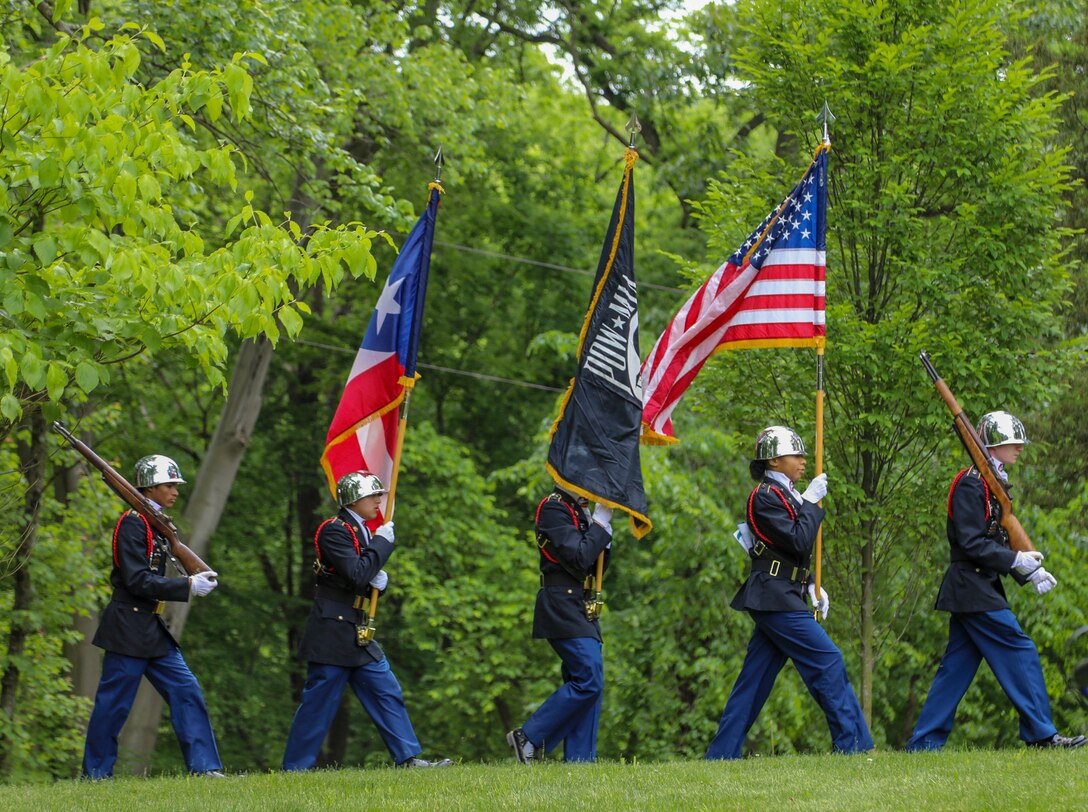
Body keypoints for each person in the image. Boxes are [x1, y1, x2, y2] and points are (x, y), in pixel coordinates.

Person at [906, 411, 1086, 751]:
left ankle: (923, 745)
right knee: (1021, 649)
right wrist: (1015, 560)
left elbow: (997, 538)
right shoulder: (971, 482)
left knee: (955, 670)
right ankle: (1042, 735)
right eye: (1011, 442)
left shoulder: (989, 482)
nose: (1019, 448)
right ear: (992, 445)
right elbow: (972, 542)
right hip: (971, 587)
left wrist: (1028, 570)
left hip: (976, 586)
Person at [705, 426, 872, 760]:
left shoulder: (786, 495)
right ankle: (853, 746)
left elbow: (790, 552)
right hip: (774, 597)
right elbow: (798, 539)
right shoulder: (765, 496)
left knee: (753, 683)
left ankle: (720, 755)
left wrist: (810, 584)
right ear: (774, 460)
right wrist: (810, 502)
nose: (803, 460)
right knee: (828, 660)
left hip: (784, 592)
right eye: (795, 455)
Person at [281, 471, 452, 770]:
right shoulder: (334, 530)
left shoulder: (360, 531)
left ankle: (408, 757)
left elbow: (361, 578)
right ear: (353, 499)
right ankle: (295, 768)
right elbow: (357, 573)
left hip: (356, 629)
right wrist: (382, 546)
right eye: (373, 495)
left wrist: (378, 584)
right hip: (333, 631)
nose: (379, 500)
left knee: (386, 690)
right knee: (318, 705)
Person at [82, 455, 223, 779]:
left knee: (187, 691)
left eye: (175, 485)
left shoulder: (154, 523)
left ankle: (205, 768)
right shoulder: (133, 522)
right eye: (169, 485)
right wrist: (186, 585)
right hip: (128, 627)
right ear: (150, 487)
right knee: (113, 706)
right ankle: (95, 774)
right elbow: (136, 580)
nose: (175, 491)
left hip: (151, 628)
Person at [506, 485, 613, 764]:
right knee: (589, 676)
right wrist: (599, 526)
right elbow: (578, 557)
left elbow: (592, 564)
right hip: (561, 601)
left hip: (580, 602)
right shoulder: (554, 507)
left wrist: (602, 535)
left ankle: (580, 761)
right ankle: (529, 737)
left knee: (588, 681)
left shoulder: (579, 511)